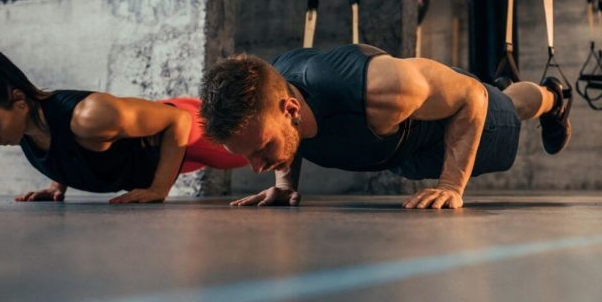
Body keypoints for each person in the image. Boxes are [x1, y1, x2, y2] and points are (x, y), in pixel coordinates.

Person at [198, 43, 572, 209]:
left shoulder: (381, 87)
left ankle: (554, 97)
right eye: (248, 155)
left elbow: (471, 97)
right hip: (399, 150)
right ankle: (521, 93)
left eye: (262, 149)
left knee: (508, 105)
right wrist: (284, 184)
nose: (257, 166)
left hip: (449, 129)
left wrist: (450, 185)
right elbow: (283, 134)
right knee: (504, 95)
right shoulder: (274, 91)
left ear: (291, 108)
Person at [0, 40, 248, 203]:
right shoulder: (27, 127)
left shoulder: (89, 117)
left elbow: (179, 120)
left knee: (259, 148)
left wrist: (159, 190)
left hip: (191, 131)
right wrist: (56, 186)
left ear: (20, 101)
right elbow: (62, 146)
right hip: (166, 152)